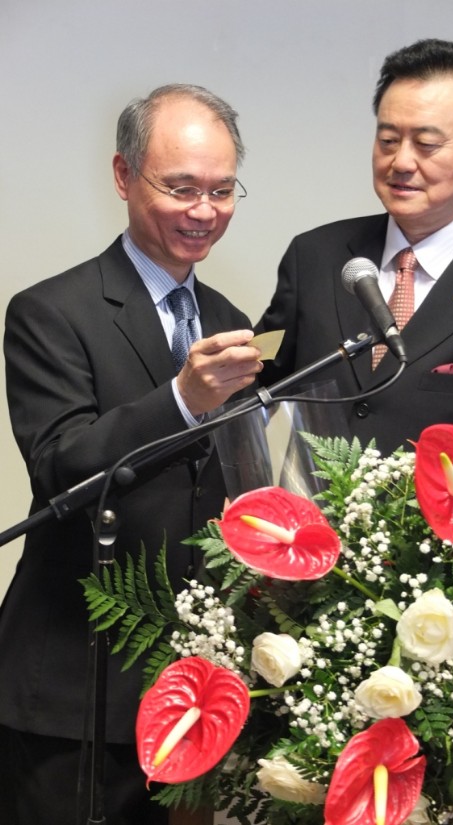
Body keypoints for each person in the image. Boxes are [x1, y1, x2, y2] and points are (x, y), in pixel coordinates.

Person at [0, 84, 262, 825]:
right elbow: (62, 466)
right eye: (180, 187)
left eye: (220, 190)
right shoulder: (52, 311)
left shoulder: (229, 322)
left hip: (184, 686)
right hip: (72, 686)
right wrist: (180, 396)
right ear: (123, 176)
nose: (203, 211)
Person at [256, 38, 453, 460]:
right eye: (389, 140)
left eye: (426, 144)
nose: (402, 162)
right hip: (304, 523)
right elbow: (254, 380)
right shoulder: (314, 256)